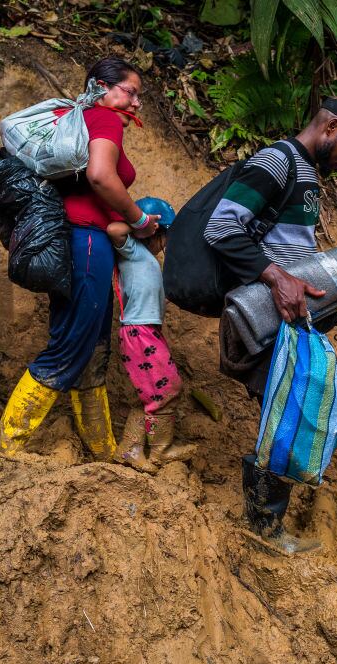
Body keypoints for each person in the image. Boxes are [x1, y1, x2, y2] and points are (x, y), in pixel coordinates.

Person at [207, 97, 337, 553]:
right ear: (331, 125)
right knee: (287, 413)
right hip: (262, 315)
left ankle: (264, 527)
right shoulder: (277, 161)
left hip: (284, 317)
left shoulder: (305, 172)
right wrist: (280, 278)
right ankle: (262, 532)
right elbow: (222, 226)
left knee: (289, 411)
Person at [0, 58, 160, 457]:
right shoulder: (102, 119)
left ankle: (102, 447)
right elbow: (100, 177)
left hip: (70, 242)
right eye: (130, 92)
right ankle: (7, 445)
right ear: (101, 87)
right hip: (87, 243)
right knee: (71, 346)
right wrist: (139, 220)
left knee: (90, 346)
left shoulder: (74, 121)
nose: (136, 103)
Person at [106, 197, 196, 473]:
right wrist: (141, 224)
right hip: (139, 332)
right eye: (166, 235)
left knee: (156, 393)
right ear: (159, 233)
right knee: (167, 389)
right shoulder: (132, 249)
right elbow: (113, 230)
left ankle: (132, 449)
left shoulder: (144, 257)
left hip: (146, 332)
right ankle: (158, 450)